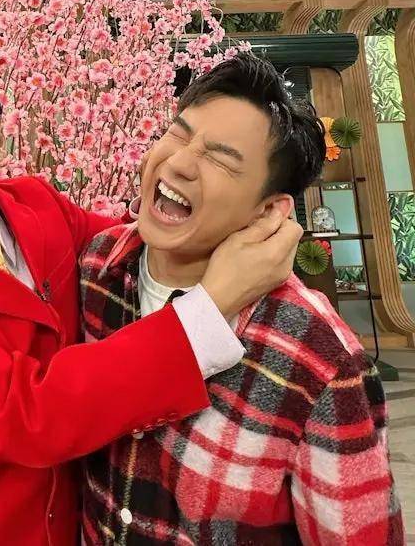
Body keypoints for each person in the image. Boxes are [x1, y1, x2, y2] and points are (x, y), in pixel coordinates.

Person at [0, 55, 303, 546]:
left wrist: (248, 234)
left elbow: (137, 248)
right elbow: (27, 415)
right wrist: (214, 303)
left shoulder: (35, 204)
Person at [81, 53, 405, 546]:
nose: (178, 163)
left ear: (269, 211)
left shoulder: (318, 358)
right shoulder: (95, 269)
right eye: (178, 133)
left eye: (220, 159)